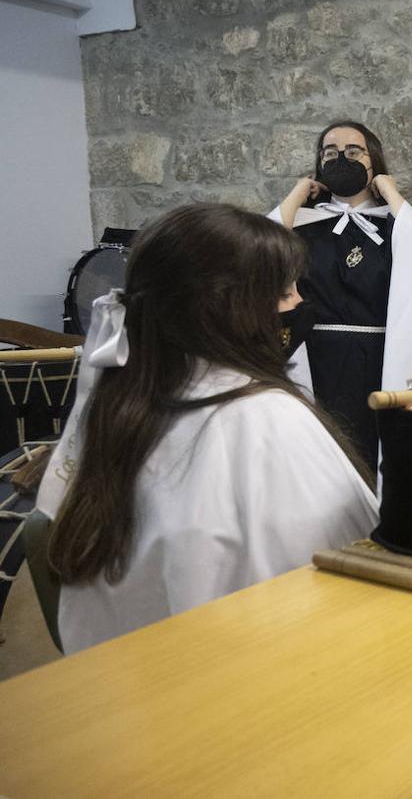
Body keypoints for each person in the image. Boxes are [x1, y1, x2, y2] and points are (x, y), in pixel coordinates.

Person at [36, 204, 379, 653]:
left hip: (120, 685)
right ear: (227, 307)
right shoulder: (264, 420)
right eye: (282, 291)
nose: (297, 302)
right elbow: (353, 594)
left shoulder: (123, 399)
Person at [272, 121, 412, 470]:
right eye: (330, 153)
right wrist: (297, 194)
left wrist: (390, 194)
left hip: (376, 360)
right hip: (316, 359)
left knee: (370, 449)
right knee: (320, 454)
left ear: (373, 159)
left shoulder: (396, 225)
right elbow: (261, 249)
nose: (341, 158)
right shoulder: (304, 225)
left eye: (353, 151)